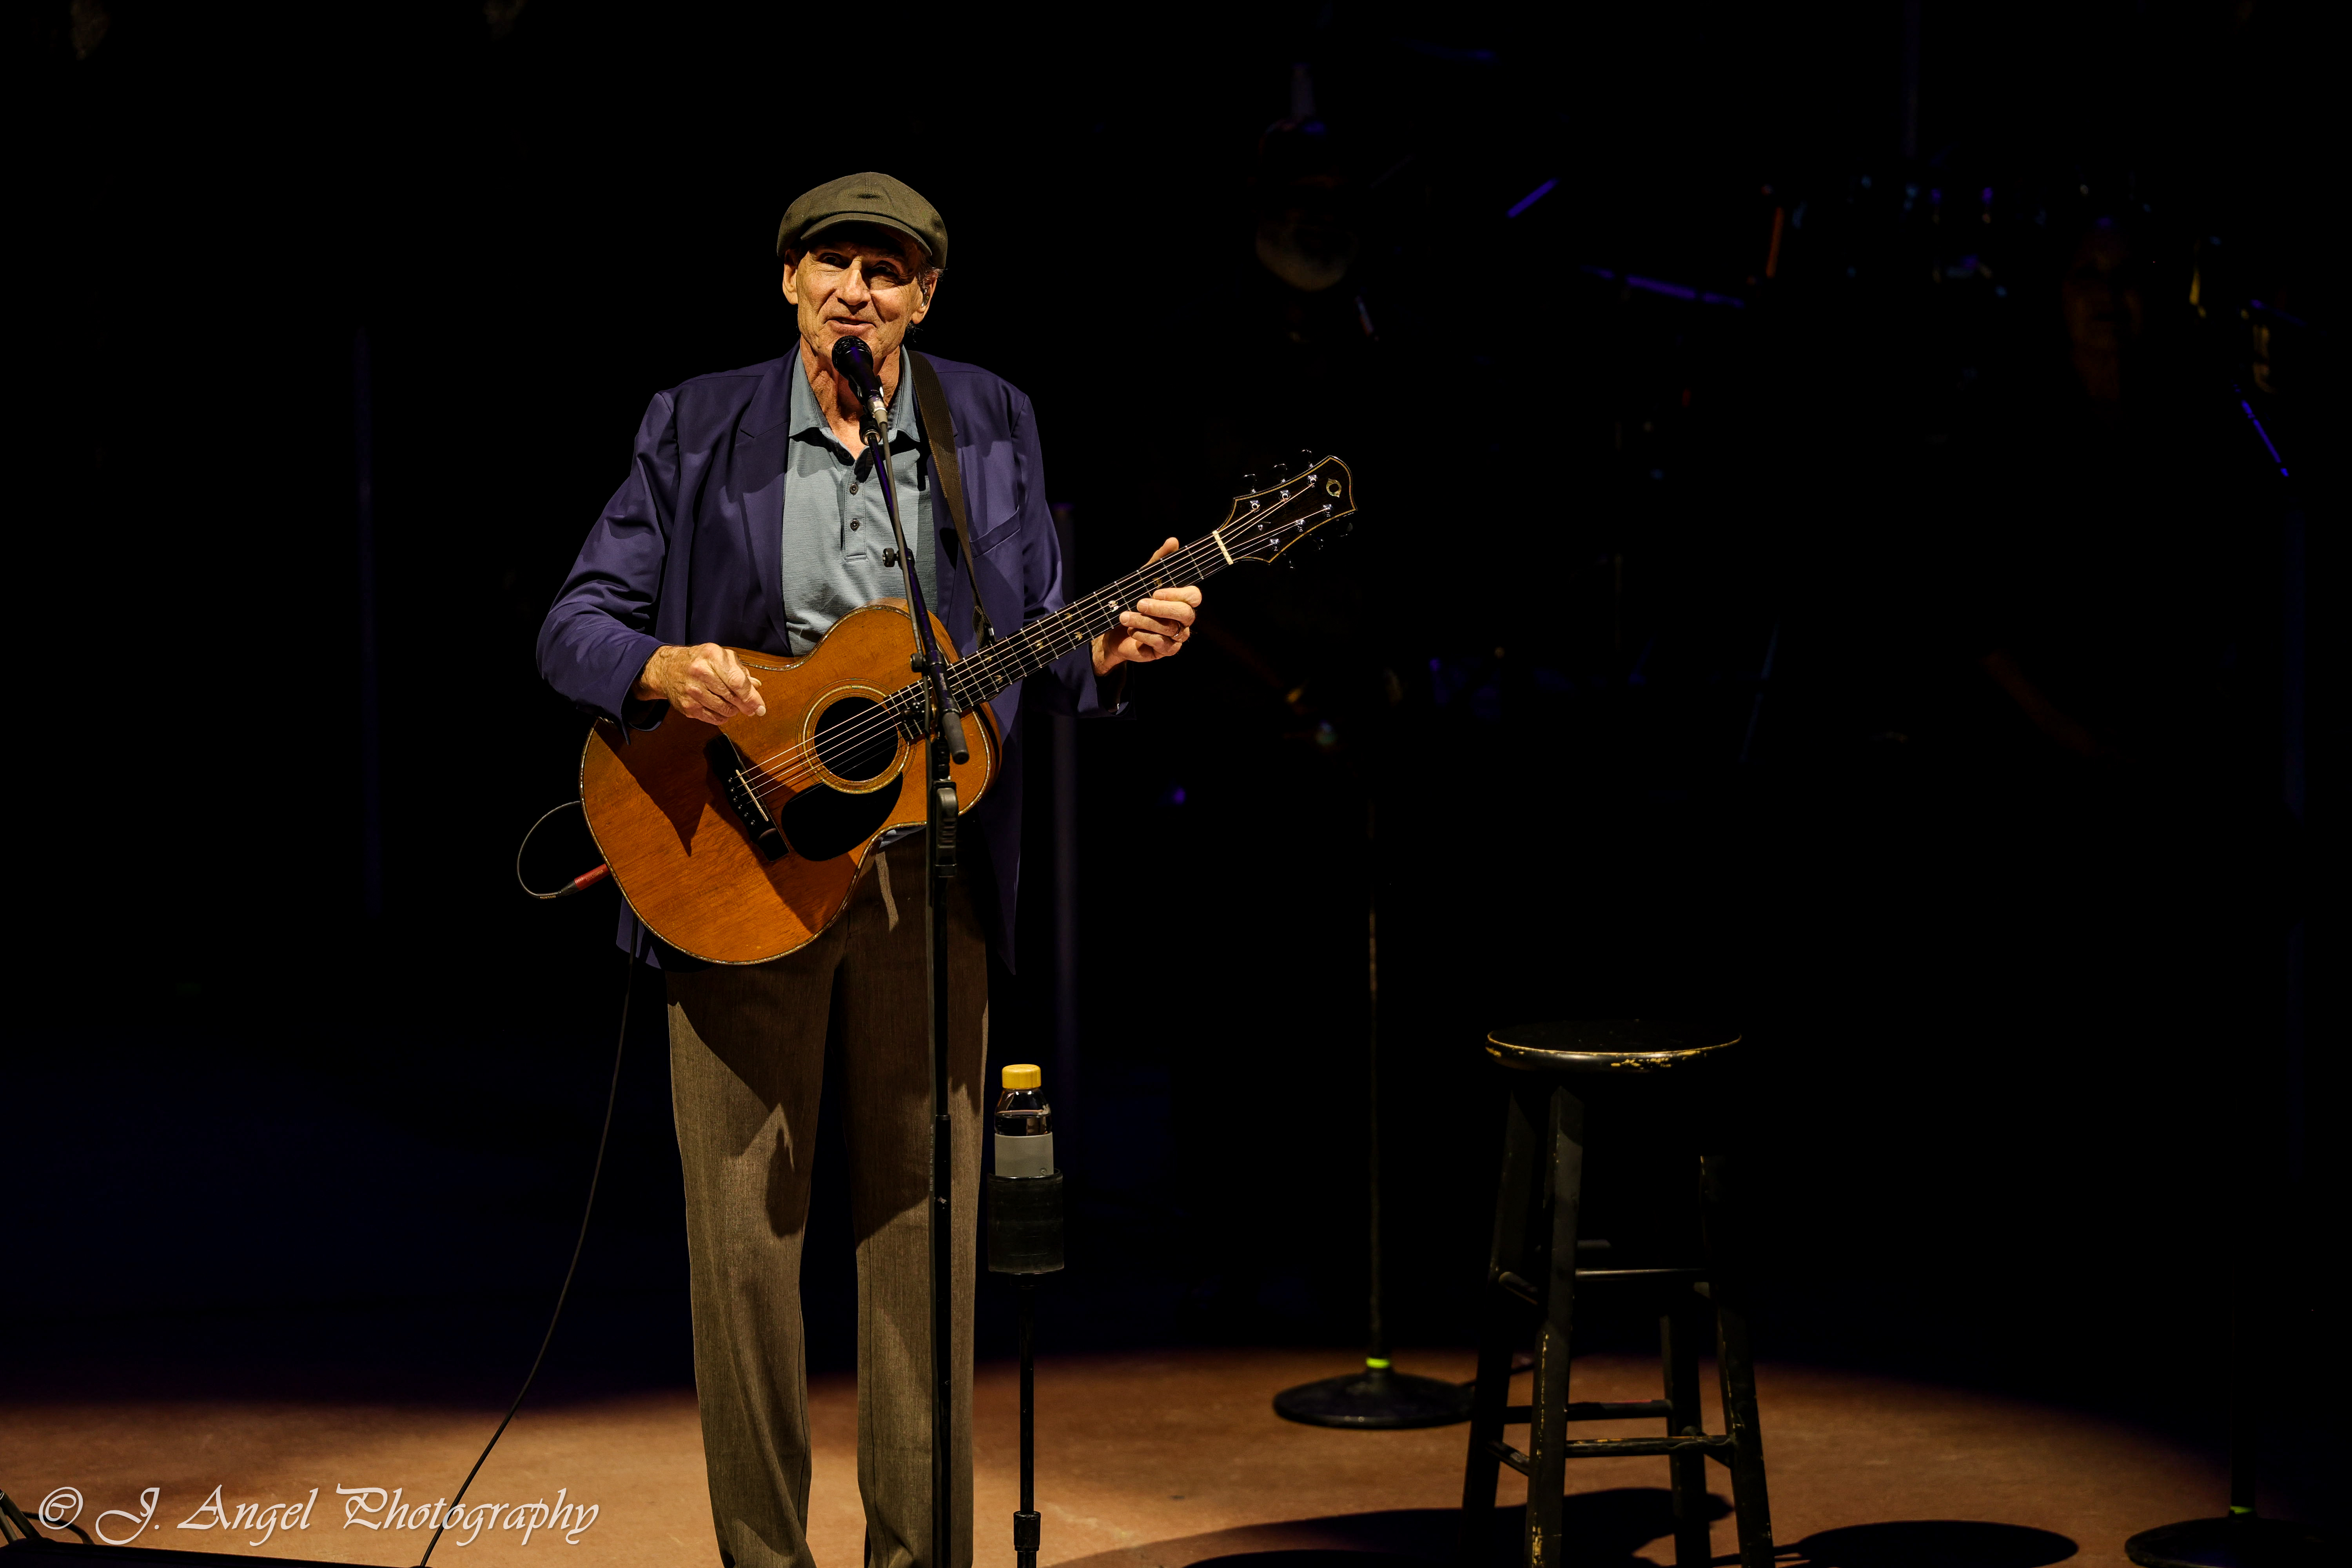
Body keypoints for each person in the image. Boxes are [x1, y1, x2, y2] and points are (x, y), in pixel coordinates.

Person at [535, 171, 1202, 1568]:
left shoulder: (987, 419)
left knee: (926, 1245)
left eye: (888, 271)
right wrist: (662, 667)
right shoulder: (696, 423)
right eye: (833, 263)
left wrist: (1105, 646)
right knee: (743, 1253)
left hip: (924, 882)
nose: (858, 290)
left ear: (926, 298)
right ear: (788, 280)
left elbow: (1029, 634)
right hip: (738, 869)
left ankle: (922, 1560)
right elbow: (575, 624)